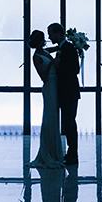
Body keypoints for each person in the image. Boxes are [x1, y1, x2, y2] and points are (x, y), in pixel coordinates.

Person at [27, 30, 64, 169]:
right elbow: (43, 76)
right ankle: (48, 152)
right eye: (43, 39)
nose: (46, 40)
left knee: (54, 116)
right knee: (50, 116)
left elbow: (58, 47)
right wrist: (52, 63)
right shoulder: (36, 56)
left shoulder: (45, 51)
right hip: (49, 87)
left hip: (55, 86)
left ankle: (54, 151)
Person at [47, 23, 80, 165]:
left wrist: (58, 65)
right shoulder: (62, 48)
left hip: (69, 92)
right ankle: (71, 152)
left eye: (51, 34)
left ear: (59, 34)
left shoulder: (68, 48)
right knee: (68, 123)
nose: (49, 37)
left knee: (69, 123)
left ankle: (73, 154)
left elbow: (75, 69)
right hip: (66, 92)